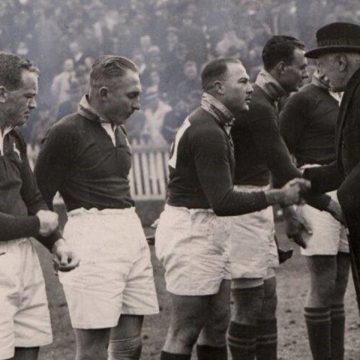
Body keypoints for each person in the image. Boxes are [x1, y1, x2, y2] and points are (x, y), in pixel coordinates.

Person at [155, 57, 310, 360]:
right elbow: (223, 201)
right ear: (217, 88)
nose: (250, 87)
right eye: (241, 81)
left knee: (216, 324)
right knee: (184, 331)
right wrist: (276, 196)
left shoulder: (214, 122)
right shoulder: (207, 130)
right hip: (192, 231)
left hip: (205, 227)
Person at [34, 55, 159, 360]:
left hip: (129, 233)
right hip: (91, 238)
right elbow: (38, 200)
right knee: (93, 349)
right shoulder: (65, 131)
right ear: (103, 94)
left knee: (130, 345)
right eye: (132, 96)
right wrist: (56, 245)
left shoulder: (118, 128)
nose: (138, 105)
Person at [228, 36, 340, 360]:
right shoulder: (261, 105)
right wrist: (332, 207)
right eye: (301, 67)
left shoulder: (270, 100)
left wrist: (289, 210)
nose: (306, 74)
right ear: (281, 68)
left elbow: (277, 167)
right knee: (249, 305)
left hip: (258, 201)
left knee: (267, 300)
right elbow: (284, 167)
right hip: (242, 205)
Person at [0, 52, 79, 360]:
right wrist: (38, 225)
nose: (34, 104)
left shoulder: (14, 138)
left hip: (23, 258)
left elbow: (33, 198)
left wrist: (56, 242)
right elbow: (36, 217)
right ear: (3, 93)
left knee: (28, 347)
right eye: (28, 96)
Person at [280, 70, 350, 360]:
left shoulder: (346, 97)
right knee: (322, 281)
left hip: (347, 191)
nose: (322, 71)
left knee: (340, 284)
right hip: (315, 192)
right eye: (316, 64)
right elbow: (281, 154)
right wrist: (294, 202)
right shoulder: (302, 100)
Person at [303, 21, 360, 317]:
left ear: (341, 61)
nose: (319, 73)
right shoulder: (350, 93)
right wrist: (302, 182)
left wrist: (346, 202)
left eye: (321, 64)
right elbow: (345, 165)